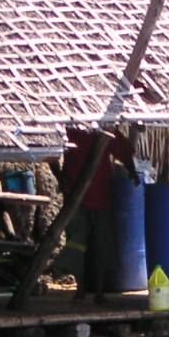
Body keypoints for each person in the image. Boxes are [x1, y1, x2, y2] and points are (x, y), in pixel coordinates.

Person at [61, 127, 138, 303]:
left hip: (94, 197)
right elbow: (125, 152)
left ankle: (92, 290)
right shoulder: (72, 129)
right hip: (80, 198)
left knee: (93, 244)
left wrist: (132, 171)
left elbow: (124, 151)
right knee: (81, 244)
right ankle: (88, 290)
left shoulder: (101, 129)